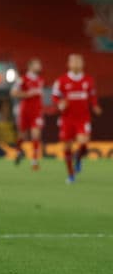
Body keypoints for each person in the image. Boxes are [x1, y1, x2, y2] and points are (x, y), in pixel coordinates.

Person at [52, 53, 101, 183]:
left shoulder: (88, 80)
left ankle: (78, 160)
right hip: (67, 119)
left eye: (79, 61)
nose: (76, 64)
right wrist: (59, 103)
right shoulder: (61, 81)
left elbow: (92, 96)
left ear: (83, 64)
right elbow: (55, 96)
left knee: (84, 143)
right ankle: (71, 174)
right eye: (73, 61)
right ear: (68, 64)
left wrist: (95, 106)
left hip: (83, 118)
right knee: (67, 147)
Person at [10, 57, 45, 170]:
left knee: (36, 135)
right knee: (23, 135)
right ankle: (19, 150)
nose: (39, 66)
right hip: (25, 110)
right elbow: (13, 93)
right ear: (30, 66)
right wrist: (28, 94)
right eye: (37, 64)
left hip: (37, 111)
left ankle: (34, 161)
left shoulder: (40, 79)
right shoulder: (22, 79)